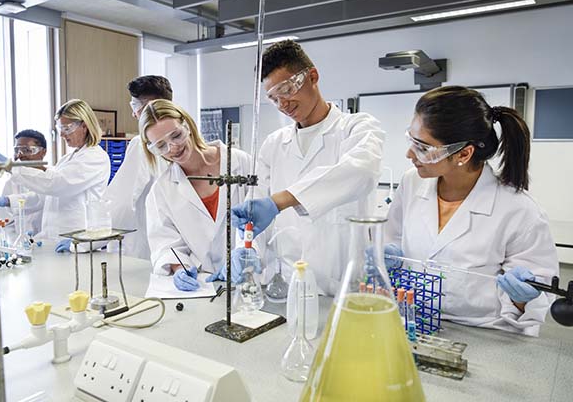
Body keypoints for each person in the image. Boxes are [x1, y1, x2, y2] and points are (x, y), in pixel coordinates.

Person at [385, 85, 559, 336]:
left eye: (423, 147)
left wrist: (522, 297)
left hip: (482, 335)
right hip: (412, 322)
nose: (409, 154)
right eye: (411, 140)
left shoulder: (520, 211)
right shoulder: (411, 183)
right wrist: (387, 256)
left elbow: (531, 305)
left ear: (464, 154)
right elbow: (393, 238)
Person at [231, 40, 385, 295]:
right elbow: (255, 212)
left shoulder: (357, 128)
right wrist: (245, 251)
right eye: (273, 98)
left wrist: (281, 200)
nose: (283, 104)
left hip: (342, 288)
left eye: (288, 89)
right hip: (286, 286)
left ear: (312, 76)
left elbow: (362, 171)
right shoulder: (273, 145)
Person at [141, 99, 252, 291]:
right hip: (204, 285)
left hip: (249, 277)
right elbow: (166, 243)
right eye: (161, 146)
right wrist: (179, 269)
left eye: (176, 135)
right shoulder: (162, 190)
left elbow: (260, 218)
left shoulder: (240, 162)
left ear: (187, 125)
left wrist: (245, 254)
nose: (172, 148)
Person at [0, 100, 110, 252]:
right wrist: (6, 201)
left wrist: (12, 167)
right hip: (54, 240)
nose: (62, 134)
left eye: (66, 128)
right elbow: (44, 197)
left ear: (84, 126)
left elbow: (55, 184)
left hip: (77, 241)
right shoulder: (67, 159)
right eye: (59, 128)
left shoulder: (95, 157)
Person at [103, 75, 172, 259]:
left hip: (140, 250)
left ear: (149, 107)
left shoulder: (142, 143)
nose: (134, 114)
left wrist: (93, 239)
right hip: (169, 249)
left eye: (135, 107)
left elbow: (122, 204)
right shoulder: (176, 142)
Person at [0, 129, 48, 236]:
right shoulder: (11, 183)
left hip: (51, 244)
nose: (20, 155)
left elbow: (38, 198)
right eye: (17, 150)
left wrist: (8, 201)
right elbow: (5, 222)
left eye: (27, 150)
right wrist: (16, 243)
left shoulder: (55, 179)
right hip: (21, 246)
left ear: (43, 152)